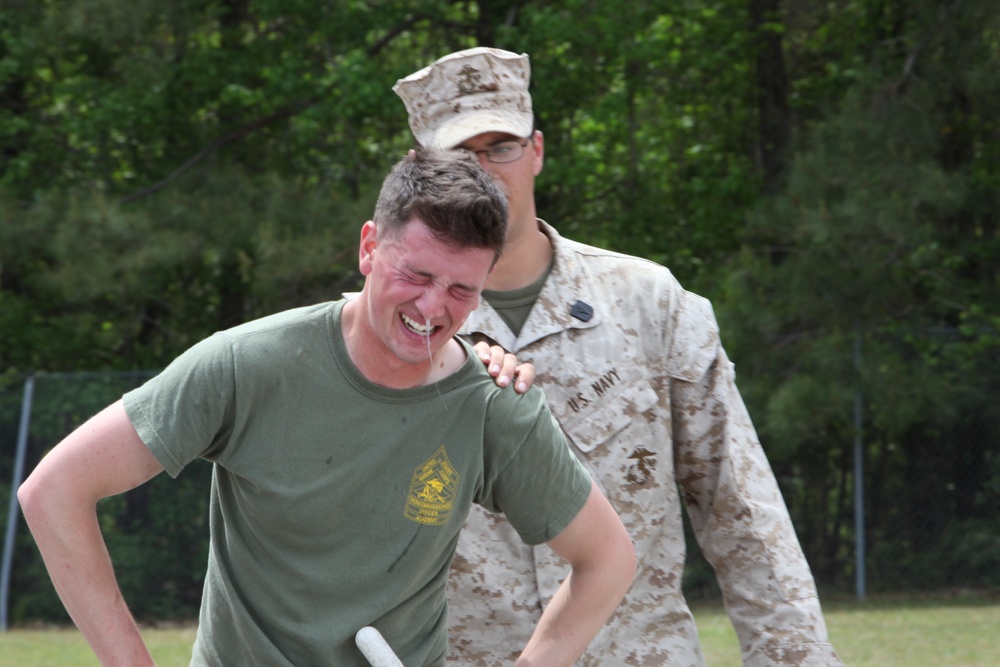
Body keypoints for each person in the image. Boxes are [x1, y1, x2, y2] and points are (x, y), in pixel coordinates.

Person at [17, 148, 636, 667]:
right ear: (370, 248)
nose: (432, 308)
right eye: (415, 274)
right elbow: (53, 491)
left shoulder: (492, 406)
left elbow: (608, 559)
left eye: (460, 289)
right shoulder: (247, 365)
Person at [394, 48, 844, 666]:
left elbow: (741, 512)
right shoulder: (392, 330)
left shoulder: (649, 306)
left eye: (502, 147)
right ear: (419, 171)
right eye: (459, 156)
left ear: (538, 152)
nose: (486, 173)